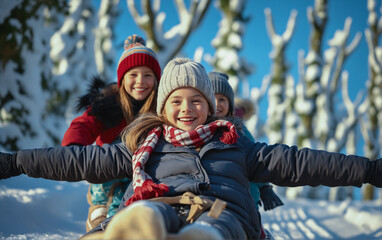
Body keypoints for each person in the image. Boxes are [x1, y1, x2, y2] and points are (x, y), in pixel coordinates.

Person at [1, 58, 381, 240]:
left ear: (210, 105)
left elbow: (302, 163)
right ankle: (135, 229)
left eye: (196, 100)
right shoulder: (142, 147)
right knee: (148, 213)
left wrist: (367, 170)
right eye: (177, 101)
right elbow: (79, 160)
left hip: (224, 216)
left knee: (219, 226)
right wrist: (17, 161)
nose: (187, 109)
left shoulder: (238, 146)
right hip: (162, 204)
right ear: (163, 107)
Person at [61, 34, 161, 231]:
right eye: (133, 74)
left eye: (148, 75)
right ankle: (98, 211)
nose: (140, 81)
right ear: (122, 79)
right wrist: (73, 147)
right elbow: (84, 124)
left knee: (122, 212)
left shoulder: (159, 107)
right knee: (105, 167)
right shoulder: (108, 104)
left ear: (156, 80)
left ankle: (120, 223)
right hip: (106, 174)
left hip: (139, 174)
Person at [209, 71, 283, 212]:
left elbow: (256, 158)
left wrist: (265, 187)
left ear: (230, 105)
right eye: (213, 99)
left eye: (222, 99)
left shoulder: (239, 130)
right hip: (213, 196)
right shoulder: (198, 129)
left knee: (250, 228)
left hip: (246, 195)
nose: (217, 104)